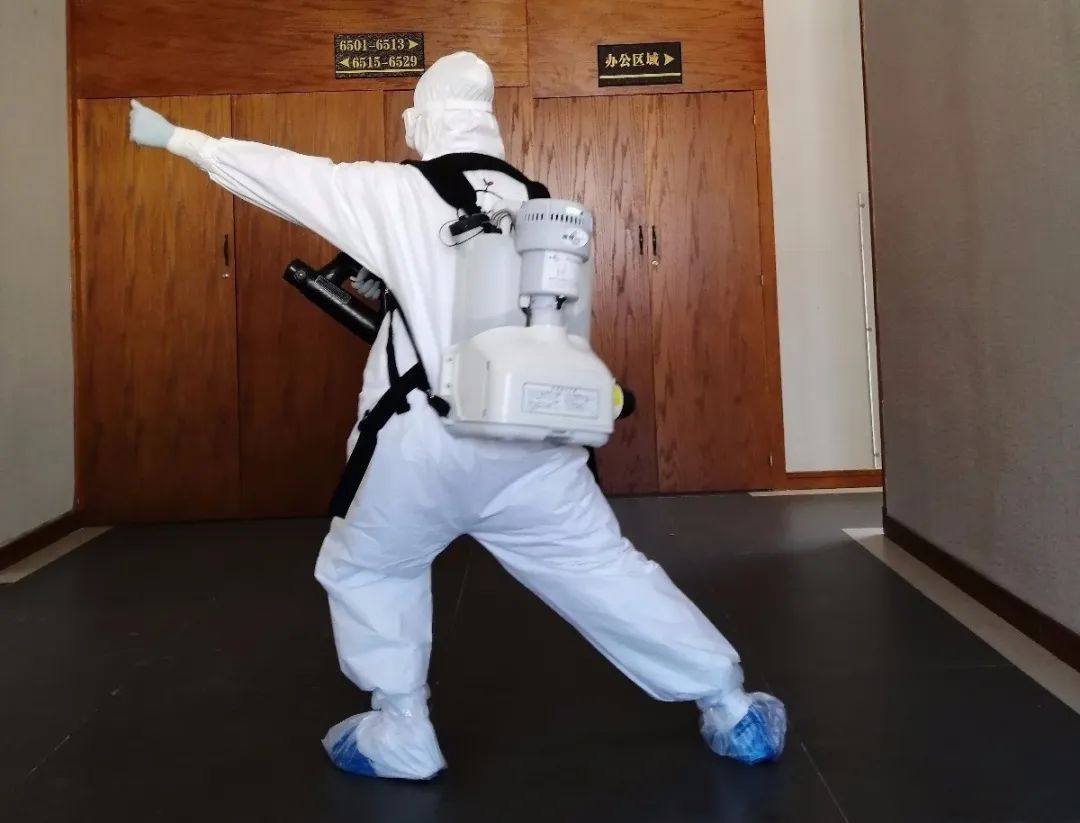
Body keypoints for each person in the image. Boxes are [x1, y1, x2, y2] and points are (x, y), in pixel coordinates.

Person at [128, 51, 786, 781]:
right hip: (537, 444)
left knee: (369, 566)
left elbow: (286, 176)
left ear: (424, 120)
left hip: (426, 443)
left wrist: (180, 139)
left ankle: (402, 729)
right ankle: (731, 703)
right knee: (603, 569)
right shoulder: (543, 205)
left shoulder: (397, 192)